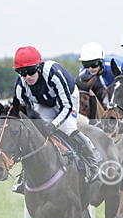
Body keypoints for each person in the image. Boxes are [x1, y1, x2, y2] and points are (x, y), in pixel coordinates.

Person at [11, 45, 101, 192]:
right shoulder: (20, 85)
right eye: (22, 73)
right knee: (34, 133)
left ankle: (93, 163)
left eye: (31, 71)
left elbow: (66, 106)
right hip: (44, 104)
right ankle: (24, 174)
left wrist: (53, 125)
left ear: (38, 67)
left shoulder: (53, 74)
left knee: (68, 128)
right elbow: (22, 112)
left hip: (68, 99)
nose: (27, 77)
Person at [77, 41, 112, 111]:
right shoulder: (83, 73)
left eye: (94, 64)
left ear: (101, 61)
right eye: (86, 65)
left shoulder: (113, 66)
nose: (90, 69)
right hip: (99, 94)